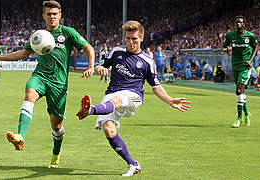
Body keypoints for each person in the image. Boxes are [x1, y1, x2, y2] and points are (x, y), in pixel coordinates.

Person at [0, 0, 95, 168]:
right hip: (40, 76)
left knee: (56, 125)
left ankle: (56, 155)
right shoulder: (39, 35)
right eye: (48, 14)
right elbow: (23, 53)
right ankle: (20, 137)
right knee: (30, 94)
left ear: (60, 15)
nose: (52, 16)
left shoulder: (68, 32)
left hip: (59, 84)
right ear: (43, 15)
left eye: (55, 14)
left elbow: (88, 48)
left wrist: (91, 67)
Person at [76, 20, 191, 177]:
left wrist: (170, 100)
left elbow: (156, 87)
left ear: (142, 37)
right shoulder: (116, 51)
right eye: (128, 38)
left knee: (116, 100)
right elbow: (99, 66)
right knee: (109, 130)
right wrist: (100, 68)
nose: (130, 42)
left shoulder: (147, 61)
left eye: (134, 39)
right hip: (112, 93)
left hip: (133, 96)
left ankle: (90, 110)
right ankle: (133, 164)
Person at [222, 15, 258, 128]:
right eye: (237, 22)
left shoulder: (250, 36)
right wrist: (227, 50)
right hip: (235, 66)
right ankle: (247, 114)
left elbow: (256, 47)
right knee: (240, 92)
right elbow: (225, 46)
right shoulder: (230, 35)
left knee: (238, 90)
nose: (238, 24)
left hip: (245, 66)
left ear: (244, 24)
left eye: (240, 22)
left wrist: (250, 60)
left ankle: (239, 118)